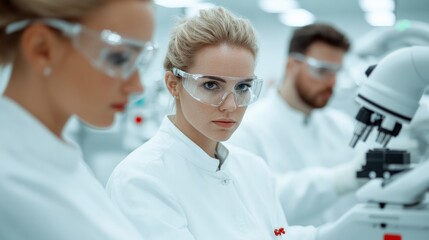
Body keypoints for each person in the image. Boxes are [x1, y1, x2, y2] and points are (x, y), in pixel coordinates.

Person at [107, 7, 318, 239]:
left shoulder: (254, 169)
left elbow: (279, 235)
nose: (230, 106)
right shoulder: (142, 179)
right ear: (173, 84)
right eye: (211, 85)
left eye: (242, 87)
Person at [0, 0, 156, 239]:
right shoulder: (10, 183)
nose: (136, 86)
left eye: (139, 63)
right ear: (42, 48)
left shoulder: (61, 162)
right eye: (118, 59)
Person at [228, 23, 368, 226]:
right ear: (291, 65)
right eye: (322, 70)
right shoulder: (249, 129)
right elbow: (262, 200)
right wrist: (339, 180)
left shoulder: (341, 126)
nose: (331, 83)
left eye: (336, 72)